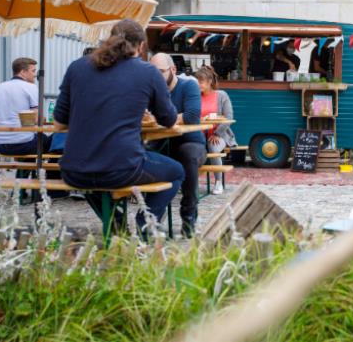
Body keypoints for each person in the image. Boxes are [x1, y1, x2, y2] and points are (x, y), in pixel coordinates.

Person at [53, 19, 185, 238]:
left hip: (74, 171)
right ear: (141, 46)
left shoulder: (77, 67)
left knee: (94, 181)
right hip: (121, 168)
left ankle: (115, 224)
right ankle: (145, 223)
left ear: (110, 39)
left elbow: (59, 123)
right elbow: (169, 120)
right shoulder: (147, 73)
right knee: (177, 171)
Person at [150, 53, 206, 236]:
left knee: (187, 154)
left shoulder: (189, 85)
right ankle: (152, 217)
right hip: (160, 143)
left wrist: (162, 118)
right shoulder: (152, 90)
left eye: (160, 72)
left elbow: (191, 116)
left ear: (173, 70)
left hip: (191, 142)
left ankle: (189, 216)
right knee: (142, 155)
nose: (155, 77)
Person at [0, 57, 52, 155]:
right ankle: (48, 170)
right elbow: (36, 119)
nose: (35, 75)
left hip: (1, 146)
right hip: (24, 144)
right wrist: (42, 119)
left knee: (35, 138)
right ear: (23, 72)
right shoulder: (31, 87)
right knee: (52, 142)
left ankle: (24, 170)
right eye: (33, 71)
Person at [194, 66, 237, 195]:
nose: (198, 84)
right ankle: (191, 183)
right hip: (200, 134)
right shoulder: (195, 96)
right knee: (190, 148)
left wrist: (217, 133)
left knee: (213, 146)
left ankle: (218, 182)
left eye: (200, 82)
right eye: (197, 82)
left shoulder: (221, 95)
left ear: (209, 82)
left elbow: (229, 118)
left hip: (220, 134)